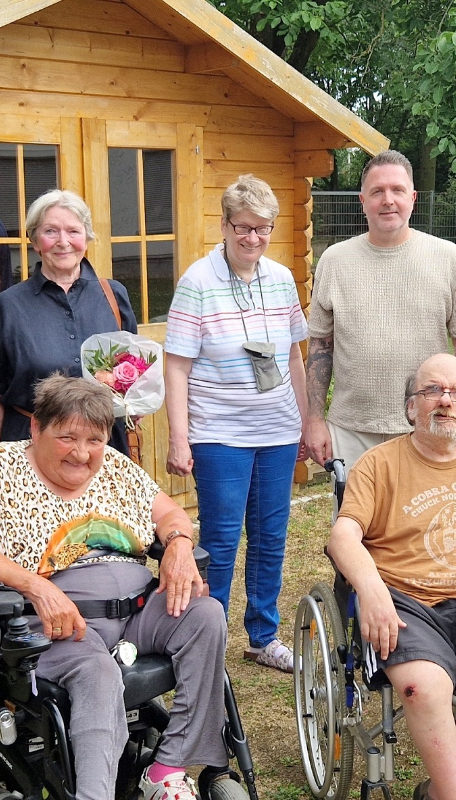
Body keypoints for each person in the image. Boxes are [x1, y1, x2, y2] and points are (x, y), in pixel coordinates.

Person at [0, 375, 227, 800]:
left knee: (206, 616)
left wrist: (179, 545)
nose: (82, 453)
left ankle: (166, 770)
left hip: (136, 613)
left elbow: (171, 515)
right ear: (36, 429)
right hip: (62, 625)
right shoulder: (0, 468)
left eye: (94, 440)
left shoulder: (115, 466)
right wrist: (37, 588)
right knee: (96, 672)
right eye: (67, 438)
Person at [327, 354, 456, 800]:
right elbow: (343, 536)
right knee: (424, 686)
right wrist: (371, 591)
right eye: (432, 391)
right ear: (411, 407)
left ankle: (444, 790)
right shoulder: (378, 464)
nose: (446, 401)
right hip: (404, 601)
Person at [163, 174, 308, 673]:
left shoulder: (282, 278)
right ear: (224, 225)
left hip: (277, 432)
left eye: (263, 229)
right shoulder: (197, 283)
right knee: (221, 540)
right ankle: (211, 639)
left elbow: (293, 357)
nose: (253, 238)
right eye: (243, 228)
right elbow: (177, 365)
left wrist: (306, 422)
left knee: (271, 536)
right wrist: (179, 438)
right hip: (219, 433)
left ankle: (263, 635)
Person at [304, 149, 456, 471]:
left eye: (397, 190)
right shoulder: (334, 260)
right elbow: (320, 346)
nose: (388, 200)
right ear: (363, 200)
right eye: (377, 191)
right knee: (353, 520)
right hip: (351, 428)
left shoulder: (448, 258)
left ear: (412, 197)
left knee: (424, 520)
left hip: (426, 426)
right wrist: (315, 419)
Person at [0, 189, 137, 456]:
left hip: (104, 448)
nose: (63, 241)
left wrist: (133, 403)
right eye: (51, 231)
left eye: (73, 231)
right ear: (35, 241)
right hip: (32, 451)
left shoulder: (114, 295)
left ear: (87, 237)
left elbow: (132, 372)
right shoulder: (10, 304)